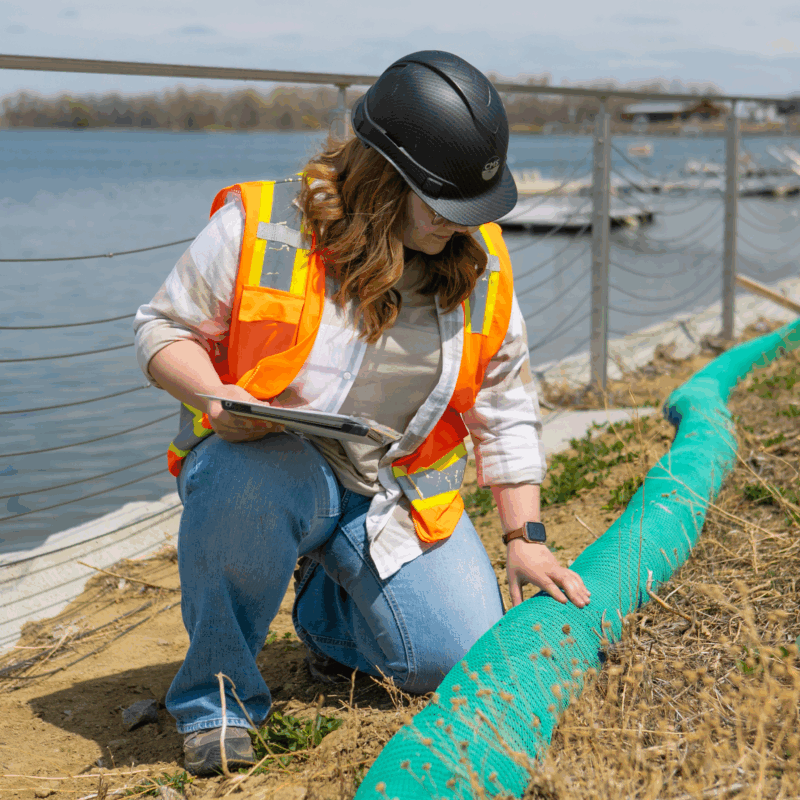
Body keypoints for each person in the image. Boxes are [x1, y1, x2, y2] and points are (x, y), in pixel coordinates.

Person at [133, 50, 590, 776]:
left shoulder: (481, 261)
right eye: (442, 204)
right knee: (243, 487)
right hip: (264, 465)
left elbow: (506, 406)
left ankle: (325, 614)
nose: (458, 225)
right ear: (385, 179)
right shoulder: (263, 227)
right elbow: (162, 330)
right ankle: (216, 701)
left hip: (391, 495)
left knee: (453, 659)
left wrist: (525, 537)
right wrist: (215, 398)